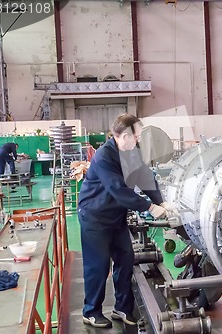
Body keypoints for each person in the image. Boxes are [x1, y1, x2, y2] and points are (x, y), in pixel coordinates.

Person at [78, 114, 173, 328]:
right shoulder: (104, 156)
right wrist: (149, 207)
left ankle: (122, 307)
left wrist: (162, 202)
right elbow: (118, 190)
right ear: (121, 136)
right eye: (135, 136)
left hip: (115, 216)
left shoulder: (131, 153)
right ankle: (91, 311)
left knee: (125, 259)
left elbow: (144, 177)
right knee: (98, 266)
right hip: (95, 217)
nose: (138, 140)